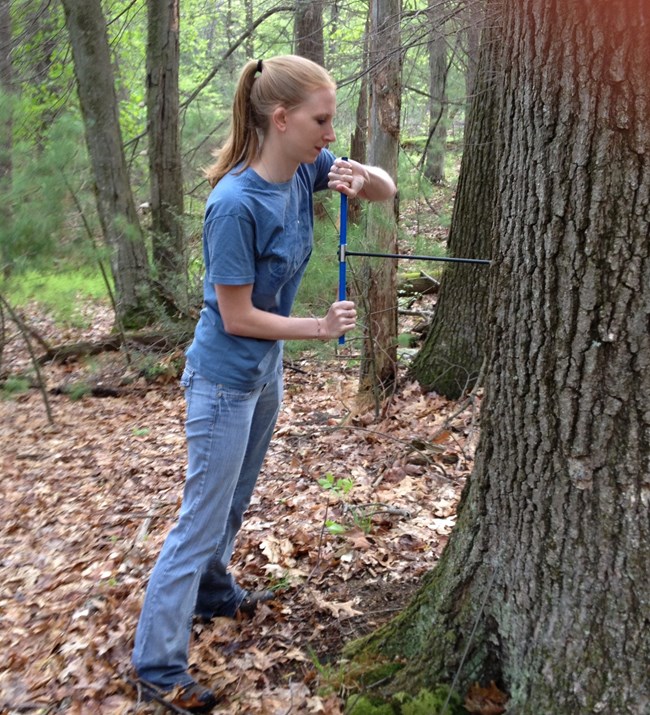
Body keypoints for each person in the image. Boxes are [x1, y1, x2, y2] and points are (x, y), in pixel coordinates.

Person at [132, 54, 396, 713]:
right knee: (200, 516)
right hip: (223, 379)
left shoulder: (304, 170)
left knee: (235, 496)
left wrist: (365, 178)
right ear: (280, 119)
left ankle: (214, 591)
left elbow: (386, 191)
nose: (330, 134)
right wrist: (317, 326)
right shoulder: (234, 205)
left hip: (263, 372)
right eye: (322, 120)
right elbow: (237, 314)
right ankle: (157, 661)